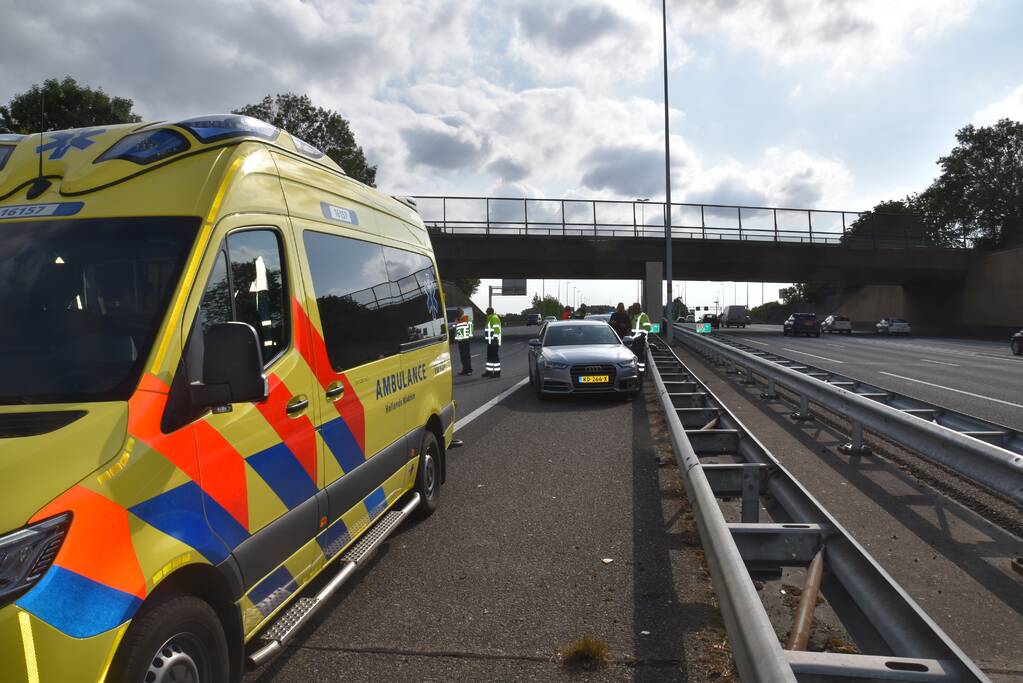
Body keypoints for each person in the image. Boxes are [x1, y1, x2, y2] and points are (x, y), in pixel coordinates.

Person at [629, 302, 652, 374]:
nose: (634, 309)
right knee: (635, 356)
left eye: (635, 307)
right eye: (633, 307)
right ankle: (636, 371)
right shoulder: (633, 316)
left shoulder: (643, 316)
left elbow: (648, 327)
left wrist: (642, 336)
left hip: (640, 340)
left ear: (639, 308)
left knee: (640, 356)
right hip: (633, 340)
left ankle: (641, 372)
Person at [483, 307, 502, 377]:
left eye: (487, 311)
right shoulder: (490, 318)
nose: (486, 312)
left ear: (489, 312)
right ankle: (489, 371)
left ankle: (497, 373)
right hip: (490, 341)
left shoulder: (493, 318)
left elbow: (496, 329)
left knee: (494, 357)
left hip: (494, 341)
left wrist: (495, 338)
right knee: (490, 357)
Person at [454, 308, 473, 375]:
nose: (457, 314)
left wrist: (470, 336)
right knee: (462, 356)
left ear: (462, 312)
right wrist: (456, 323)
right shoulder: (458, 319)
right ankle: (464, 370)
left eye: (458, 313)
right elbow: (457, 329)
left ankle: (469, 370)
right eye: (457, 313)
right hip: (460, 340)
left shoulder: (467, 317)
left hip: (465, 340)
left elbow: (470, 326)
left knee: (466, 356)